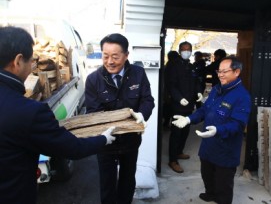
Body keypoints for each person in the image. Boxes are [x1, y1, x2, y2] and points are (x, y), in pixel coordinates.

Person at [0, 26, 116, 204]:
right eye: (31, 62)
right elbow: (71, 148)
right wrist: (103, 139)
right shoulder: (28, 111)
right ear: (17, 61)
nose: (32, 68)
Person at [85, 33, 155, 204]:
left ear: (126, 55)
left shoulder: (138, 74)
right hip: (106, 141)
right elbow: (93, 112)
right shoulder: (93, 79)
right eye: (105, 56)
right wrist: (104, 134)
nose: (110, 61)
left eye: (115, 57)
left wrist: (142, 114)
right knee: (107, 183)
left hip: (131, 139)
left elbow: (148, 100)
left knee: (127, 179)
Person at [172, 56, 251, 204]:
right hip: (208, 146)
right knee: (207, 175)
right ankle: (210, 194)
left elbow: (238, 124)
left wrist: (218, 130)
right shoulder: (216, 89)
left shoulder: (242, 96)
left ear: (237, 72)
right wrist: (189, 119)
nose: (220, 74)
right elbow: (204, 111)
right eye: (218, 71)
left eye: (224, 71)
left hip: (225, 149)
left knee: (223, 184)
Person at [166, 41, 204, 173]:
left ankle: (179, 152)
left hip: (189, 105)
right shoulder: (174, 66)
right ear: (180, 50)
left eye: (189, 49)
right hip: (178, 105)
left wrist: (199, 92)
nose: (186, 52)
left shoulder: (191, 66)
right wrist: (178, 98)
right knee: (176, 133)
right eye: (184, 49)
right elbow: (171, 85)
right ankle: (172, 160)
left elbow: (197, 81)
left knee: (186, 130)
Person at [163, 50, 180, 128]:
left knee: (169, 108)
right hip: (174, 91)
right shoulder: (175, 64)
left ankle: (167, 122)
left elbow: (166, 79)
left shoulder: (170, 65)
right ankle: (171, 123)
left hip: (169, 90)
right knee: (172, 108)